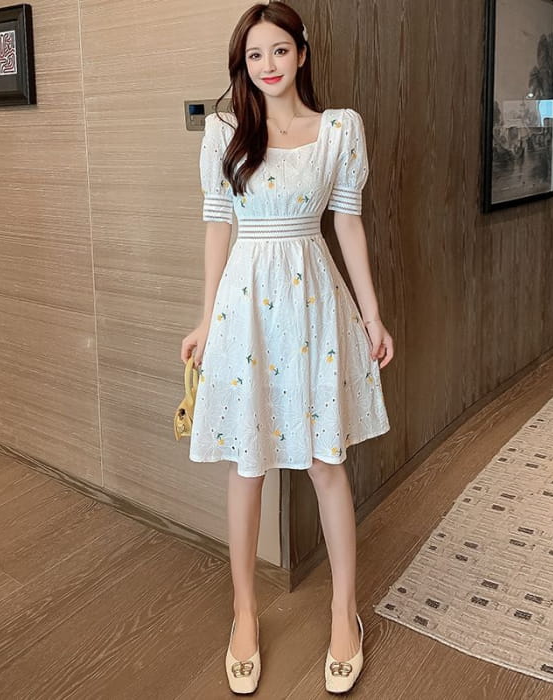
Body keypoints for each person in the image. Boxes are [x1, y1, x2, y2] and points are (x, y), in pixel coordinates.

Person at [180, 2, 394, 694]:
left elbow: (348, 226)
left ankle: (343, 612)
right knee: (247, 466)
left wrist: (372, 316)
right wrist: (205, 320)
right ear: (242, 65)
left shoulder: (339, 129)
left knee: (327, 463)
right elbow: (218, 226)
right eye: (254, 55)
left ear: (301, 52)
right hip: (244, 309)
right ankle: (244, 612)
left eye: (278, 50)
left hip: (313, 306)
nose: (267, 66)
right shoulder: (224, 132)